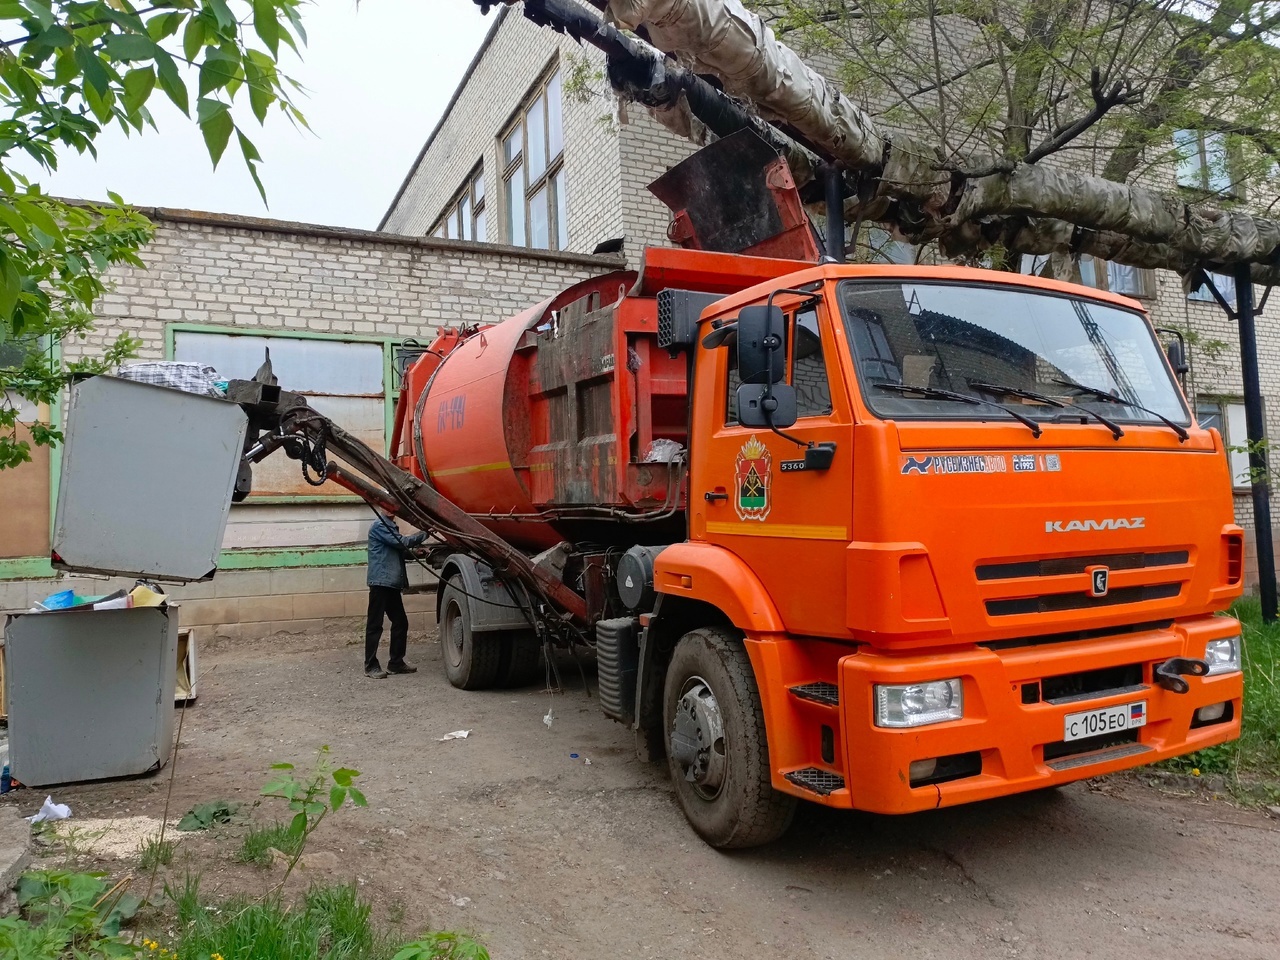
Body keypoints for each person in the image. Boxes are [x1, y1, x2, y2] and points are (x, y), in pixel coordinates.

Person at [365, 510, 428, 679]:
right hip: (380, 583)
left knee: (400, 622)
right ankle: (370, 666)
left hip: (390, 583)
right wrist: (424, 533)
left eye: (393, 505)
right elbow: (402, 542)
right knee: (375, 625)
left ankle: (396, 663)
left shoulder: (390, 526)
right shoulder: (380, 525)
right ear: (380, 506)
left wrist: (416, 553)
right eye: (387, 505)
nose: (391, 509)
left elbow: (397, 549)